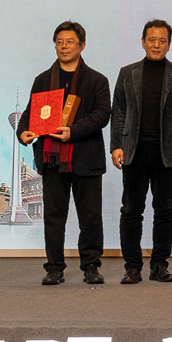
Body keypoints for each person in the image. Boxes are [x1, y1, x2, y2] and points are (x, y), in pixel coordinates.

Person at [17, 21, 112, 286]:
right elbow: (30, 113)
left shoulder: (97, 80)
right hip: (52, 159)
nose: (64, 46)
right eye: (59, 42)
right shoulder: (43, 80)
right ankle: (54, 268)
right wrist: (23, 132)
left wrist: (74, 131)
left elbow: (102, 114)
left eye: (70, 42)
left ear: (82, 45)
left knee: (90, 216)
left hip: (86, 156)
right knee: (53, 217)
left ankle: (91, 266)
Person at [109, 19, 172, 285]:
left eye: (162, 40)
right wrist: (116, 145)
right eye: (152, 40)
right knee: (131, 210)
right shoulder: (127, 73)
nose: (157, 45)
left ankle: (159, 265)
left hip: (166, 151)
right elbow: (119, 112)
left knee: (165, 209)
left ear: (169, 44)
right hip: (133, 150)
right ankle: (132, 267)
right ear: (143, 42)